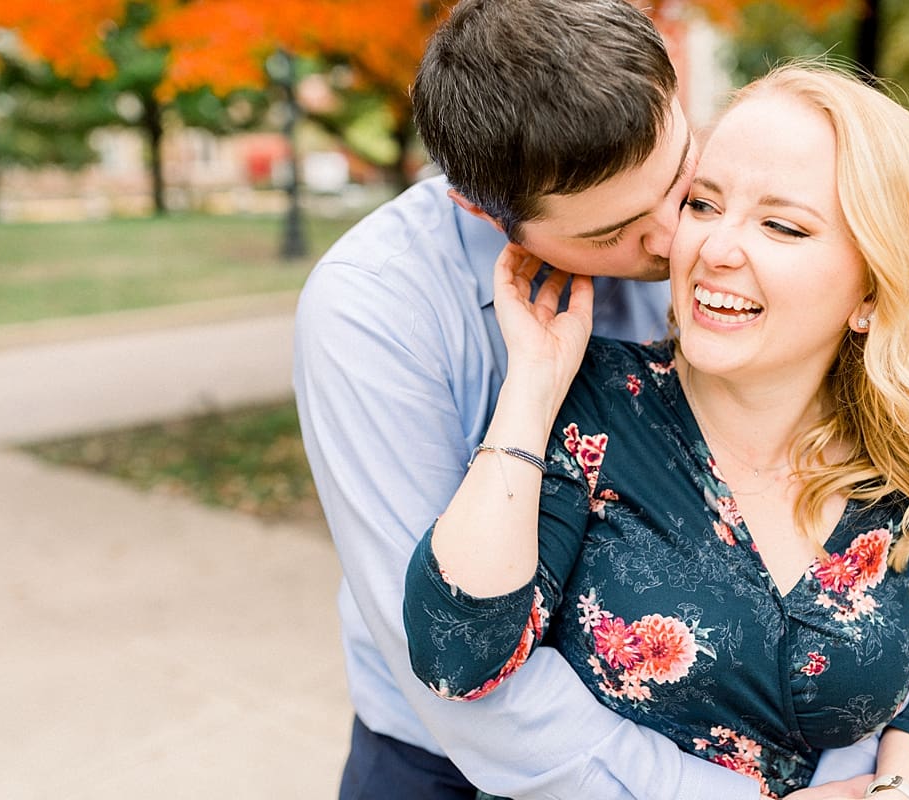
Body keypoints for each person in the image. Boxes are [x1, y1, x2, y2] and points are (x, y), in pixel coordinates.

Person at [295, 1, 872, 797]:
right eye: (613, 234)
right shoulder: (372, 312)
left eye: (681, 182)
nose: (678, 242)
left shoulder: (722, 243)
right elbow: (460, 683)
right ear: (479, 206)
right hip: (448, 764)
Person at [404, 62, 909, 800]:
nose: (714, 248)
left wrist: (894, 794)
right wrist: (531, 389)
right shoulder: (594, 407)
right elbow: (457, 655)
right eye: (704, 205)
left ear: (872, 290)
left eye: (781, 224)